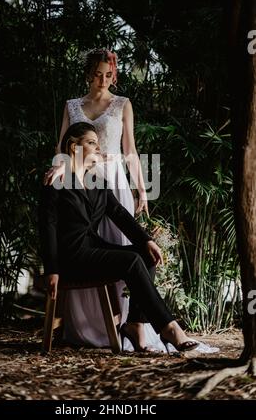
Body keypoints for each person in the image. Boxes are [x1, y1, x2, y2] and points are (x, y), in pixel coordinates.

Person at [38, 122, 199, 353]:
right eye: (92, 143)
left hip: (92, 251)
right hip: (71, 258)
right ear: (74, 147)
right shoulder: (55, 183)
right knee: (131, 261)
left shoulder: (98, 184)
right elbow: (48, 227)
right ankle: (170, 328)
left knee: (144, 254)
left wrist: (146, 240)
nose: (98, 148)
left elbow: (120, 215)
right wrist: (52, 269)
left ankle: (135, 324)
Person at [44, 48, 155, 351]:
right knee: (88, 249)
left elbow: (130, 150)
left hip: (114, 182)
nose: (103, 79)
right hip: (81, 180)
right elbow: (62, 143)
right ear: (88, 73)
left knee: (120, 249)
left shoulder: (122, 104)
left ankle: (130, 325)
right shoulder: (72, 105)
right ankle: (91, 329)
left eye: (109, 74)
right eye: (97, 73)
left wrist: (142, 189)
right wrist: (57, 168)